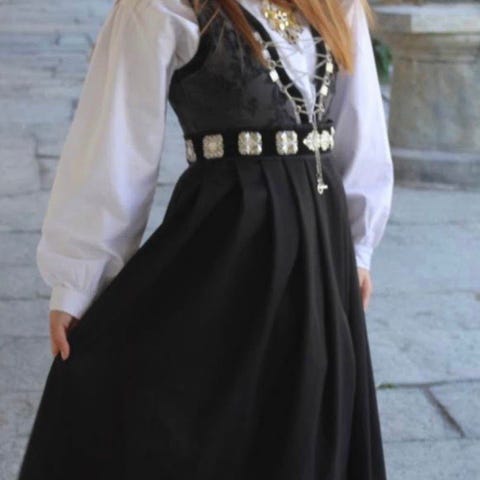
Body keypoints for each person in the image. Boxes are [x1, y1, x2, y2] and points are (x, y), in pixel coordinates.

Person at [17, 0, 393, 478]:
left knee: (306, 408)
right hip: (225, 253)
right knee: (216, 416)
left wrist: (359, 244)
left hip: (321, 246)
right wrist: (80, 276)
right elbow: (119, 137)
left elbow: (360, 123)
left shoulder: (334, 5)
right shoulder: (166, 8)